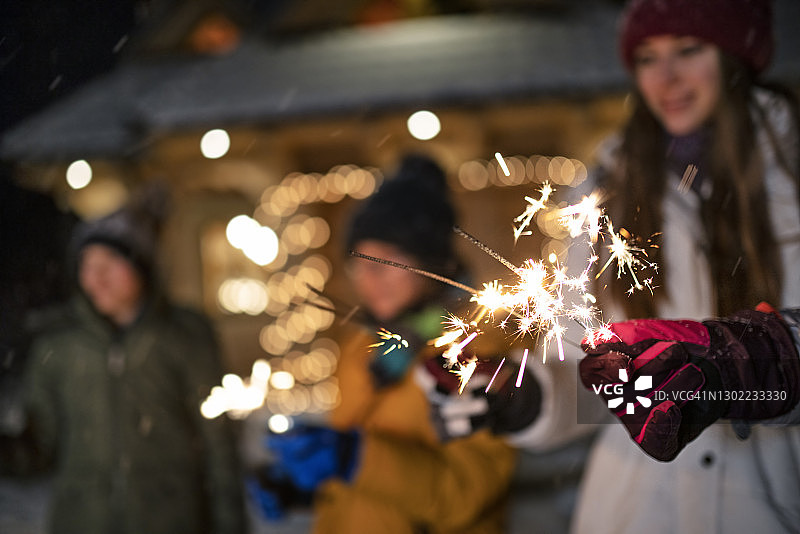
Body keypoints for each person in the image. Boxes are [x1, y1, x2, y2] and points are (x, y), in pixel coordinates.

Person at [567, 0, 800, 532]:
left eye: (688, 49)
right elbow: (573, 363)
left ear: (734, 55)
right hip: (635, 510)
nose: (666, 77)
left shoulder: (792, 176)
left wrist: (767, 360)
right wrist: (526, 395)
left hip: (770, 505)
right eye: (647, 57)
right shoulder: (604, 194)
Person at [253, 154, 537, 533]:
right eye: (361, 262)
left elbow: (465, 493)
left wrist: (355, 457)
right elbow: (364, 487)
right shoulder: (362, 347)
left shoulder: (475, 352)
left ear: (430, 265)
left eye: (389, 260)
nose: (371, 278)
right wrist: (301, 488)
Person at [13, 185, 247, 534]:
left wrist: (229, 523)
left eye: (110, 263)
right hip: (84, 522)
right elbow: (39, 446)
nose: (98, 278)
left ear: (142, 266)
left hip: (173, 521)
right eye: (88, 265)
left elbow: (219, 449)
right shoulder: (59, 345)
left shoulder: (183, 336)